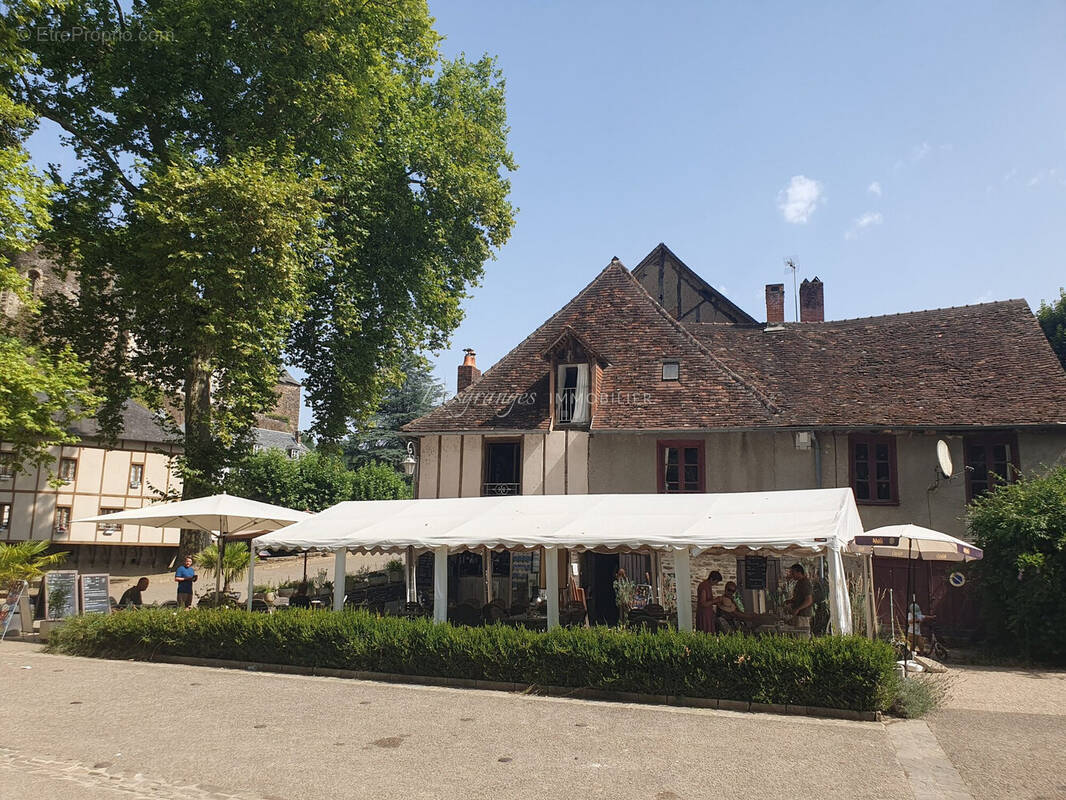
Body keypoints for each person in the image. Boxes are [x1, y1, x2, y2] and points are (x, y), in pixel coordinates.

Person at [783, 563, 814, 636]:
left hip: (803, 615)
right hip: (798, 615)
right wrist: (790, 601)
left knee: (802, 636)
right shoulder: (799, 582)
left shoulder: (805, 583)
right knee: (797, 635)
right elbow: (798, 597)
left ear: (799, 572)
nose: (791, 575)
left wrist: (798, 609)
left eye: (793, 573)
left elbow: (809, 600)